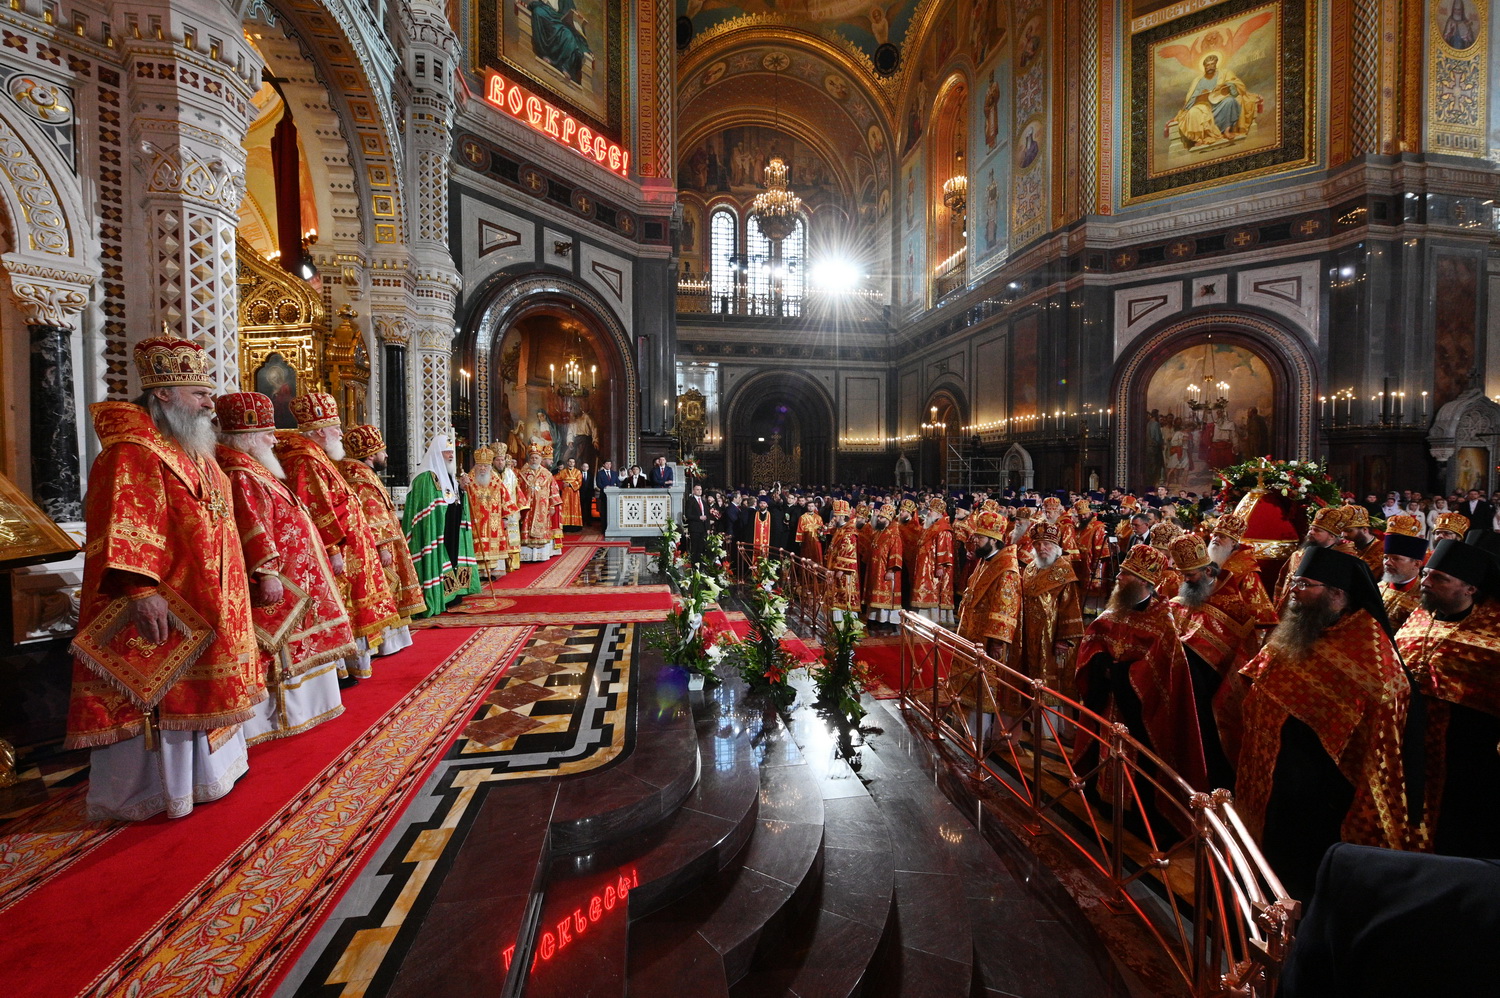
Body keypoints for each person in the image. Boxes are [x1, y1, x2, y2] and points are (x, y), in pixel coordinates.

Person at [67, 335, 260, 821]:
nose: (208, 403)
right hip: (168, 601)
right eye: (198, 393)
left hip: (209, 597)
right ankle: (158, 791)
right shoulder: (133, 451)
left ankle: (210, 774)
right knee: (162, 695)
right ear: (164, 395)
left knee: (203, 691)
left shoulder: (193, 450)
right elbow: (126, 523)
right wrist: (141, 590)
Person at [1235, 547, 1411, 901]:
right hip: (1269, 768)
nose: (1294, 591)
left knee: (1300, 866)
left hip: (1320, 788)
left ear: (1338, 595)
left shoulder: (1367, 647)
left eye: (1306, 584)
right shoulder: (1297, 630)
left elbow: (1380, 720)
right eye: (1296, 581)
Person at [216, 392, 355, 744]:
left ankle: (306, 708)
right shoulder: (240, 471)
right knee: (281, 644)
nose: (276, 440)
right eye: (268, 435)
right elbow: (253, 524)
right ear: (248, 438)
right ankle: (284, 716)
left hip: (296, 573)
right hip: (282, 578)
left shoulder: (254, 467)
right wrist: (268, 572)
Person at [278, 393, 400, 679]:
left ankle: (348, 664)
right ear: (320, 431)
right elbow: (317, 506)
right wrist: (333, 550)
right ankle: (340, 667)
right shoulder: (306, 458)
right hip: (337, 547)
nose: (340, 434)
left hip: (350, 544)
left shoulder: (318, 455)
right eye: (336, 428)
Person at [1395, 538, 1500, 858]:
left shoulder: (1494, 629)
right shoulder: (1418, 617)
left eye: (1439, 578)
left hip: (1470, 758)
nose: (1425, 583)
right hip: (1409, 750)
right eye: (1426, 574)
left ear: (1470, 588)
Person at [1075, 545, 1209, 793]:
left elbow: (1158, 670)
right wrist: (1101, 663)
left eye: (1125, 573)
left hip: (1139, 712)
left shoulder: (1162, 622)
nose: (1118, 576)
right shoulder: (1113, 611)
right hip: (1106, 702)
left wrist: (1119, 674)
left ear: (1144, 582)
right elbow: (1091, 643)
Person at [1167, 534, 1256, 790]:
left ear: (1208, 570)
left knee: (1207, 744)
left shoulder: (1234, 607)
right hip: (1179, 686)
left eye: (1190, 576)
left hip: (1211, 693)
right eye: (1182, 575)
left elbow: (1239, 653)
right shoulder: (1178, 602)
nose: (1184, 581)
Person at [339, 424, 426, 651]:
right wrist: (384, 547)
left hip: (381, 543)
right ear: (370, 455)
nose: (386, 455)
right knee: (385, 588)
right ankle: (386, 641)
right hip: (379, 546)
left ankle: (390, 639)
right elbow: (372, 515)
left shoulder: (359, 473)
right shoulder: (362, 480)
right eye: (381, 451)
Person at [953, 510, 1022, 745]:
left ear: (994, 540)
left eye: (980, 538)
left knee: (984, 690)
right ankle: (966, 732)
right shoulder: (985, 561)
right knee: (970, 686)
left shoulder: (1007, 569)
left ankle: (978, 738)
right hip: (972, 634)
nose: (975, 542)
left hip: (989, 642)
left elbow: (1007, 608)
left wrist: (998, 643)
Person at [402, 433, 482, 614]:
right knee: (440, 559)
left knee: (453, 557)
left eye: (451, 451)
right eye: (446, 452)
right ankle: (437, 597)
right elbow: (425, 509)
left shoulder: (449, 476)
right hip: (434, 529)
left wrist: (461, 490)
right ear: (437, 453)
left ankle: (453, 594)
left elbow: (452, 501)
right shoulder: (425, 478)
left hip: (450, 526)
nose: (450, 455)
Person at [1017, 522, 1084, 700]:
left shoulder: (1065, 572)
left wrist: (1064, 639)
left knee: (1052, 685)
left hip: (1052, 637)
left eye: (1047, 544)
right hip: (1030, 633)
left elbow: (1071, 608)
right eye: (1038, 544)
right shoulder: (1030, 568)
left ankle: (1052, 725)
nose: (1042, 548)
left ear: (1055, 547)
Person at [1273, 504, 1358, 610]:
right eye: (1311, 529)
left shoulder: (1344, 558)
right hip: (1289, 610)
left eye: (1317, 530)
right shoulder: (1298, 555)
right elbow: (1281, 583)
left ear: (1332, 536)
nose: (1311, 532)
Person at [1173, 53, 1261, 148]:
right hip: (1204, 107)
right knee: (1193, 112)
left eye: (1212, 64)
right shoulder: (1198, 81)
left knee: (1230, 101)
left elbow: (1236, 89)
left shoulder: (1225, 73)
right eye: (1207, 65)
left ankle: (1227, 131)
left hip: (1220, 103)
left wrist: (1224, 85)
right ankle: (1200, 139)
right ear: (1204, 67)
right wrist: (1201, 95)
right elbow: (1191, 99)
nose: (1210, 67)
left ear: (1216, 64)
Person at [465, 444, 510, 581]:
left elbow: (505, 498)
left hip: (493, 522)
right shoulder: (469, 480)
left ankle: (492, 571)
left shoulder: (496, 479)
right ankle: (478, 573)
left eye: (485, 466)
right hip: (475, 521)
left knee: (492, 545)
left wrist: (506, 517)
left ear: (490, 466)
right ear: (476, 466)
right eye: (480, 466)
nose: (483, 468)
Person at [1377, 514, 1427, 631]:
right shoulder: (1378, 587)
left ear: (1416, 564)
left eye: (1395, 558)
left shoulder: (1425, 596)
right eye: (1385, 558)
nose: (1387, 563)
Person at [911, 497, 956, 625]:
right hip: (925, 565)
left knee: (933, 591)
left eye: (930, 510)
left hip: (933, 567)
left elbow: (944, 549)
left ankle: (934, 618)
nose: (928, 513)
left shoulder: (943, 529)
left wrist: (941, 566)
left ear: (937, 513)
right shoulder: (931, 526)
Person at [517, 445, 561, 561]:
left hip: (543, 507)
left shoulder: (547, 474)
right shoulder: (522, 473)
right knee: (526, 526)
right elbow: (518, 490)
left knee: (542, 528)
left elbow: (553, 490)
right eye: (532, 458)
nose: (534, 460)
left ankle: (541, 554)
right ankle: (527, 556)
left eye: (536, 458)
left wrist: (552, 506)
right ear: (529, 459)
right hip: (527, 507)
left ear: (540, 459)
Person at [865, 503, 904, 629]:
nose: (879, 519)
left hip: (885, 571)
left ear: (887, 519)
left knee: (885, 595)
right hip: (875, 569)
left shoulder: (894, 535)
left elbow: (896, 554)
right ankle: (875, 618)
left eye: (881, 518)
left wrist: (891, 570)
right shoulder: (879, 532)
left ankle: (886, 619)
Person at [823, 500, 860, 619]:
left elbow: (849, 552)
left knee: (844, 599)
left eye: (836, 516)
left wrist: (840, 569)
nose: (834, 518)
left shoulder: (849, 533)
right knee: (836, 598)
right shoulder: (840, 530)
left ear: (843, 516)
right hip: (835, 570)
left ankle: (846, 626)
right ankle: (836, 625)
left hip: (844, 573)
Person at [1341, 505, 1386, 580]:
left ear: (1365, 530)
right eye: (1341, 531)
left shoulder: (1383, 551)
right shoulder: (1344, 547)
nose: (1343, 535)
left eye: (1349, 531)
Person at [497, 453, 525, 571]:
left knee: (512, 536)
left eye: (502, 460)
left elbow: (517, 491)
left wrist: (519, 508)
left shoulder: (511, 474)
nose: (501, 462)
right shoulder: (490, 475)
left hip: (511, 511)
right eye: (498, 460)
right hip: (496, 512)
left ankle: (513, 563)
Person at [554, 457, 584, 531]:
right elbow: (555, 478)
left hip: (575, 492)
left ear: (574, 463)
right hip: (566, 492)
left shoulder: (578, 472)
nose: (571, 463)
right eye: (570, 462)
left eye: (573, 462)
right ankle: (565, 525)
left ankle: (575, 525)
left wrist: (570, 484)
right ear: (567, 463)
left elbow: (579, 482)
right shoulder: (563, 472)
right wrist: (562, 484)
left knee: (575, 507)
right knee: (565, 507)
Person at [683, 483, 709, 561]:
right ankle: (694, 565)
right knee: (695, 548)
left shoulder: (703, 502)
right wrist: (699, 517)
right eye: (697, 489)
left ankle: (700, 566)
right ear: (693, 491)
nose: (699, 491)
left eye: (700, 489)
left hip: (703, 528)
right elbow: (688, 514)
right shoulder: (690, 501)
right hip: (695, 528)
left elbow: (707, 515)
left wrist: (708, 528)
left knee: (701, 548)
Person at [796, 498, 824, 562]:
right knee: (806, 555)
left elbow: (821, 528)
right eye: (809, 506)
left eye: (812, 506)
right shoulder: (803, 517)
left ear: (814, 507)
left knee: (817, 555)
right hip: (806, 540)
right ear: (807, 507)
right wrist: (800, 540)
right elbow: (800, 529)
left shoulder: (818, 517)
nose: (810, 508)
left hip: (816, 540)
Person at [594, 459, 618, 530]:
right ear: (604, 465)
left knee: (613, 512)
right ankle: (604, 528)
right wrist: (605, 487)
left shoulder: (614, 473)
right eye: (607, 464)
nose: (608, 465)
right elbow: (598, 484)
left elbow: (618, 482)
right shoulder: (600, 473)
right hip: (604, 495)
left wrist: (615, 487)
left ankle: (613, 527)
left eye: (610, 464)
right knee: (604, 512)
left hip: (613, 496)